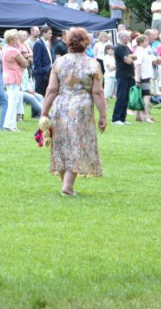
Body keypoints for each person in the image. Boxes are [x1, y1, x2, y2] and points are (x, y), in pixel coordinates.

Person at [41, 28, 106, 196]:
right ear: (86, 43)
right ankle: (67, 186)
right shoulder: (93, 64)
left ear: (68, 42)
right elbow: (97, 93)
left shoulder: (59, 63)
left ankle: (66, 183)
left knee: (61, 143)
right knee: (77, 143)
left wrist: (44, 112)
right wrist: (103, 115)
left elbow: (51, 89)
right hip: (81, 107)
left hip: (60, 105)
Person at [1, 30, 28, 132]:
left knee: (12, 101)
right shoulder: (14, 50)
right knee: (13, 102)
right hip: (14, 76)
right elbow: (24, 63)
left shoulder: (5, 48)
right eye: (16, 37)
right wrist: (26, 60)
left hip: (7, 76)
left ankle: (11, 124)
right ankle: (9, 124)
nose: (18, 39)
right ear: (11, 39)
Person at [112, 32, 137, 125]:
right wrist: (130, 57)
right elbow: (128, 61)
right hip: (122, 75)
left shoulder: (126, 48)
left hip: (129, 76)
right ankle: (116, 118)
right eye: (127, 37)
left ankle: (123, 118)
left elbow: (135, 56)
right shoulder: (118, 48)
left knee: (126, 98)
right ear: (122, 37)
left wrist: (130, 56)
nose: (129, 38)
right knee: (121, 97)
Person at [134, 35, 157, 123]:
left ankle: (140, 115)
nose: (147, 42)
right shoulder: (140, 52)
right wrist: (138, 78)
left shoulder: (144, 51)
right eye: (146, 41)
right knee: (146, 96)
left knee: (142, 96)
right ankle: (146, 115)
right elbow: (138, 65)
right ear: (141, 42)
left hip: (146, 75)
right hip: (143, 76)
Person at [32, 27, 53, 96]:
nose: (51, 35)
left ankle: (42, 107)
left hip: (46, 72)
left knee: (44, 94)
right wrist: (41, 71)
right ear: (44, 33)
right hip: (41, 74)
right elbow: (36, 59)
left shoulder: (44, 43)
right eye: (49, 33)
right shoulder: (38, 43)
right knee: (39, 94)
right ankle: (36, 107)